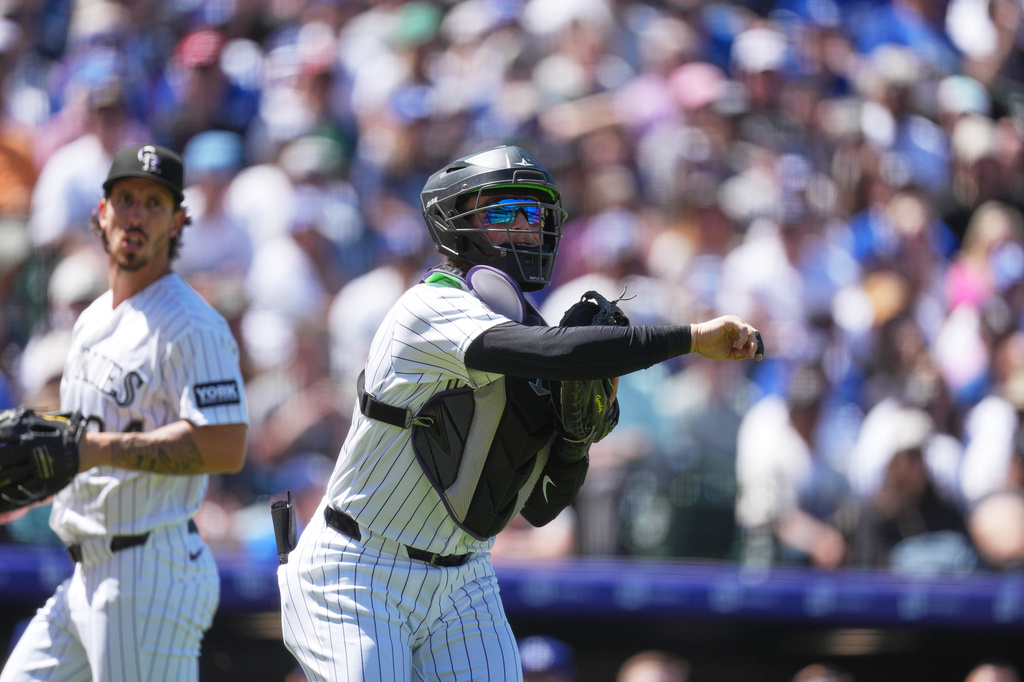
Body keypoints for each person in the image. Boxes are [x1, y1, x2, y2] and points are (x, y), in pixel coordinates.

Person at [277, 144, 762, 681]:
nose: (526, 227)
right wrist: (690, 338)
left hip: (463, 579)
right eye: (505, 211)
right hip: (358, 571)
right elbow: (556, 352)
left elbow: (541, 508)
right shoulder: (429, 308)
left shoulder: (529, 329)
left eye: (533, 213)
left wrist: (576, 438)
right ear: (457, 223)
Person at [0, 143, 249, 682]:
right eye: (126, 198)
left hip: (147, 571)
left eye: (154, 203)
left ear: (178, 221)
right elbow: (80, 440)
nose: (136, 214)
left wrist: (92, 450)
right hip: (87, 570)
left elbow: (226, 445)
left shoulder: (191, 325)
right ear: (101, 212)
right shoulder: (91, 319)